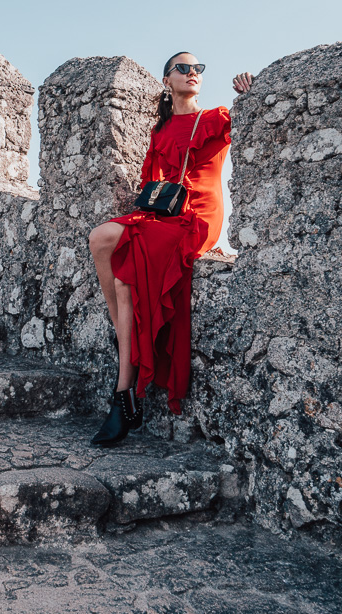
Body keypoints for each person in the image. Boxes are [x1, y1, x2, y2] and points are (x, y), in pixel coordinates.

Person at [88, 51, 254, 446]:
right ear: (167, 80)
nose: (193, 72)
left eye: (198, 68)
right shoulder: (160, 131)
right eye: (183, 67)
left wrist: (251, 92)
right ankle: (124, 342)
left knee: (126, 267)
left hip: (197, 217)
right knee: (101, 240)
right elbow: (152, 185)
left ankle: (123, 392)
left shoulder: (215, 117)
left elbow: (254, 124)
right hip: (164, 215)